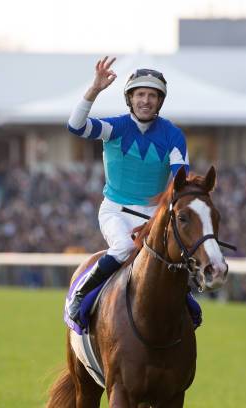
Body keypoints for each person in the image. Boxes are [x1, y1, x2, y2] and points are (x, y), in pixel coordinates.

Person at [64, 56, 202, 328]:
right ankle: (80, 294)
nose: (146, 100)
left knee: (173, 257)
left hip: (154, 217)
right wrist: (94, 89)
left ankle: (184, 300)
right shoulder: (115, 127)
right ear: (130, 98)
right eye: (140, 94)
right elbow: (76, 125)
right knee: (124, 247)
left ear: (160, 101)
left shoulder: (173, 134)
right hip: (116, 211)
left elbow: (180, 179)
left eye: (152, 95)